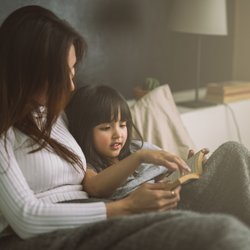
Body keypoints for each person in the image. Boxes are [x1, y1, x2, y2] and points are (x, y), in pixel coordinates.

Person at [1, 5, 250, 250]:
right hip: (52, 234)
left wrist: (172, 172)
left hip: (100, 209)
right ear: (28, 70)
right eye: (60, 74)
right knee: (220, 232)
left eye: (73, 71)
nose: (71, 85)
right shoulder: (4, 131)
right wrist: (128, 207)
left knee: (232, 157)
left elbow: (108, 152)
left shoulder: (55, 114)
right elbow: (26, 218)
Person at [65, 84, 191, 200]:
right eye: (106, 128)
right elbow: (95, 188)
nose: (118, 134)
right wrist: (139, 157)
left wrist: (188, 167)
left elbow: (168, 172)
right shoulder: (87, 164)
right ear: (83, 131)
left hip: (178, 193)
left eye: (122, 125)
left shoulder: (138, 147)